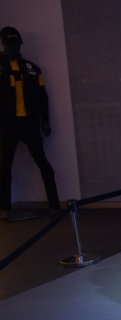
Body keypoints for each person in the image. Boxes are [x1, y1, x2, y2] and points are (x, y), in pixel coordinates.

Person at [0, 26, 59, 220]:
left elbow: (43, 97)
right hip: (7, 124)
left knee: (42, 162)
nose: (14, 49)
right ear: (3, 45)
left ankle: (55, 205)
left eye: (16, 45)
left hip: (29, 123)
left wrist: (46, 120)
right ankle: (5, 208)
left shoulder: (32, 69)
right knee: (5, 166)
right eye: (10, 45)